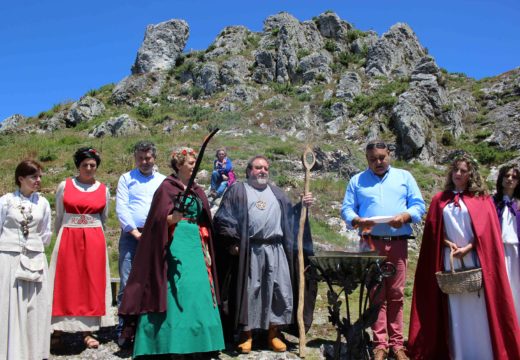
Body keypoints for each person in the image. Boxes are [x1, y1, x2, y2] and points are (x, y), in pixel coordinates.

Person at [408, 153, 520, 359]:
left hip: (475, 260)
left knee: (478, 307)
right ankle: (459, 353)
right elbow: (433, 232)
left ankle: (483, 352)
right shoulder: (439, 200)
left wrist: (470, 247)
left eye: (463, 171)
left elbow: (488, 232)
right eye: (455, 170)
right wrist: (445, 242)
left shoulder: (482, 200)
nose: (458, 174)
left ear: (471, 174)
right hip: (449, 259)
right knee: (455, 307)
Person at [119, 147, 224, 358]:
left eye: (195, 162)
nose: (194, 166)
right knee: (177, 290)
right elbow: (156, 222)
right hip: (175, 245)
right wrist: (172, 218)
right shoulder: (166, 188)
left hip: (196, 245)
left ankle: (202, 342)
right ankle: (172, 343)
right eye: (190, 163)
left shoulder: (196, 189)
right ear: (178, 165)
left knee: (198, 291)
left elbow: (204, 215)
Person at [213, 155, 317, 354]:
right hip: (250, 250)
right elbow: (223, 218)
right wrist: (233, 242)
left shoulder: (278, 193)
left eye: (266, 168)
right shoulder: (238, 190)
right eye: (258, 168)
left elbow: (290, 218)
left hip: (277, 250)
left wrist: (302, 206)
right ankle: (247, 334)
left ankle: (274, 333)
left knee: (279, 290)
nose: (263, 171)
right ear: (249, 170)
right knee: (251, 291)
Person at [341, 140, 425, 360]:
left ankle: (397, 345)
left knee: (396, 294)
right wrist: (356, 219)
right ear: (366, 159)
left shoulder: (404, 177)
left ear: (389, 155)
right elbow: (346, 208)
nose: (378, 162)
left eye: (381, 157)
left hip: (397, 241)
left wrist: (405, 216)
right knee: (376, 294)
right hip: (370, 243)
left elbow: (418, 205)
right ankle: (380, 344)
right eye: (372, 159)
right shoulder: (357, 180)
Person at [48, 147, 114, 349]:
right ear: (78, 166)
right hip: (68, 235)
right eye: (84, 165)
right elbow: (59, 216)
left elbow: (103, 218)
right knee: (65, 281)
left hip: (93, 238)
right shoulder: (64, 186)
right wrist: (61, 238)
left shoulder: (103, 189)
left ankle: (88, 331)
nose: (88, 168)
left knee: (91, 282)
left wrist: (95, 237)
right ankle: (57, 330)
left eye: (92, 165)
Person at [115, 141, 166, 345]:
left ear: (154, 158)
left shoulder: (163, 181)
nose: (145, 162)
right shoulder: (126, 178)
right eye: (141, 158)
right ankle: (124, 328)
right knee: (128, 282)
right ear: (135, 158)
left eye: (148, 158)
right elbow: (122, 207)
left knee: (154, 281)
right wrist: (135, 232)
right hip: (131, 237)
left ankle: (148, 330)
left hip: (156, 236)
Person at [0, 160, 52, 360]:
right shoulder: (5, 201)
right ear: (21, 178)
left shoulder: (43, 203)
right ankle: (9, 352)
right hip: (9, 258)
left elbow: (45, 233)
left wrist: (33, 247)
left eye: (40, 176)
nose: (38, 180)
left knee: (34, 306)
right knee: (9, 303)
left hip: (35, 258)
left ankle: (33, 352)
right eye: (33, 176)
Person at [493, 164, 520, 323]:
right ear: (501, 178)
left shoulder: (518, 204)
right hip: (497, 251)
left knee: (515, 288)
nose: (510, 179)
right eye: (507, 176)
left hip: (516, 253)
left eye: (514, 177)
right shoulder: (492, 202)